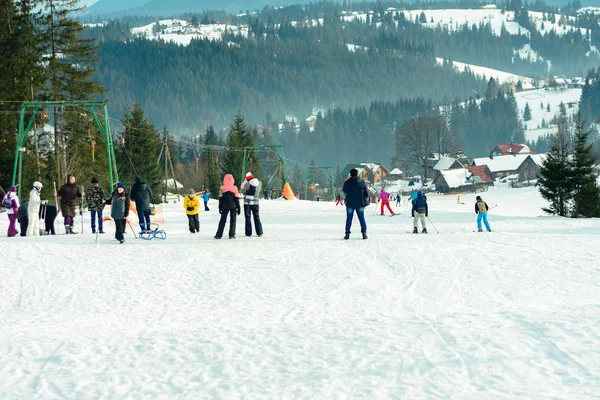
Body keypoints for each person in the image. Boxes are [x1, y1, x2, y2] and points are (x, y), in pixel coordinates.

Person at [342, 168, 369, 240]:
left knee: (349, 219)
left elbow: (344, 191)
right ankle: (364, 233)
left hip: (350, 203)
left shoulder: (347, 182)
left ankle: (347, 234)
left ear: (350, 174)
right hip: (360, 203)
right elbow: (366, 193)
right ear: (357, 174)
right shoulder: (362, 182)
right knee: (361, 218)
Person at [215, 174, 240, 239]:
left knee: (222, 220)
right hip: (233, 205)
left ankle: (219, 235)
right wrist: (238, 207)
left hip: (225, 205)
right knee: (233, 220)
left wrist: (220, 207)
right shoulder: (235, 188)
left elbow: (220, 198)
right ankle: (232, 234)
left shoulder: (222, 188)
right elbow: (237, 198)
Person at [241, 172, 263, 237]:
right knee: (256, 217)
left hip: (247, 202)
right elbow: (259, 190)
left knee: (248, 217)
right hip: (256, 202)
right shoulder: (259, 183)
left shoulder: (247, 184)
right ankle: (259, 232)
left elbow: (243, 191)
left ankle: (248, 233)